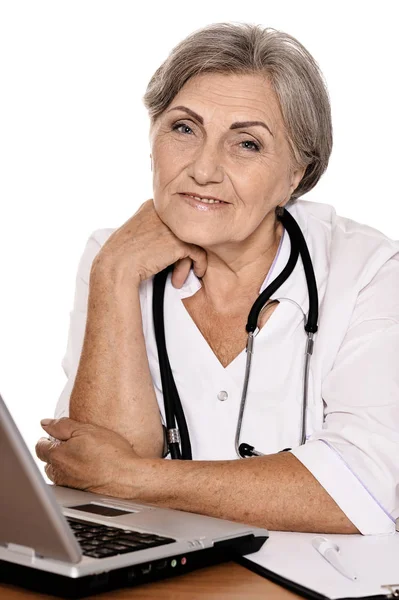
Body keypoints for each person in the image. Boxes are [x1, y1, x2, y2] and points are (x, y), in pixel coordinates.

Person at [35, 22, 399, 535]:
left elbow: (364, 492)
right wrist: (115, 275)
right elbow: (96, 491)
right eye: (183, 129)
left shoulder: (367, 271)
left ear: (297, 173)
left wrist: (136, 477)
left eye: (247, 143)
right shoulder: (115, 257)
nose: (204, 169)